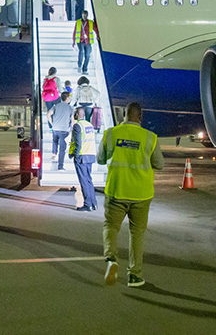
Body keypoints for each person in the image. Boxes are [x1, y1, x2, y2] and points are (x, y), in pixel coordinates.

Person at [97, 102, 164, 288]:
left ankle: (111, 259)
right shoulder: (149, 137)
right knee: (137, 234)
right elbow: (159, 164)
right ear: (140, 116)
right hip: (141, 195)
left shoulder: (111, 133)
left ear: (124, 115)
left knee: (111, 226)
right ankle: (134, 275)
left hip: (116, 191)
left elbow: (100, 159)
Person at [68, 107, 97, 211]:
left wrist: (74, 155)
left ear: (76, 115)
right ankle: (93, 203)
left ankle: (87, 204)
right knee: (89, 180)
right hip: (91, 154)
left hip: (82, 156)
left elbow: (77, 143)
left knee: (83, 181)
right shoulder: (89, 125)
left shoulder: (77, 126)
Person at [47, 92, 74, 169]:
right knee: (62, 149)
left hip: (55, 128)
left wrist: (52, 123)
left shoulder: (56, 106)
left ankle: (54, 153)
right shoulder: (70, 108)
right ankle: (60, 166)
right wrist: (72, 129)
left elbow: (48, 114)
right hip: (64, 130)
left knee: (55, 141)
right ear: (68, 98)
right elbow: (73, 120)